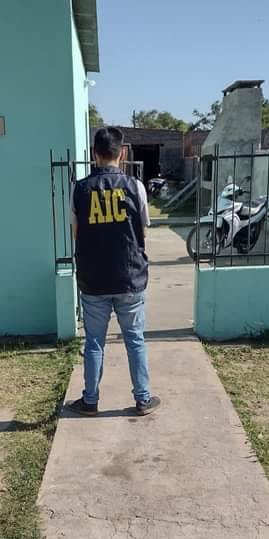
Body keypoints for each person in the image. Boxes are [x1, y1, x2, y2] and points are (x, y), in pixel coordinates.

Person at [67, 126, 161, 416]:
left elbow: (76, 233)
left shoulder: (80, 189)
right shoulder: (136, 187)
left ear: (94, 154)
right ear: (122, 153)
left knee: (94, 342)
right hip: (129, 277)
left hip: (93, 280)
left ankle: (90, 400)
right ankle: (143, 399)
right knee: (134, 339)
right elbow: (141, 232)